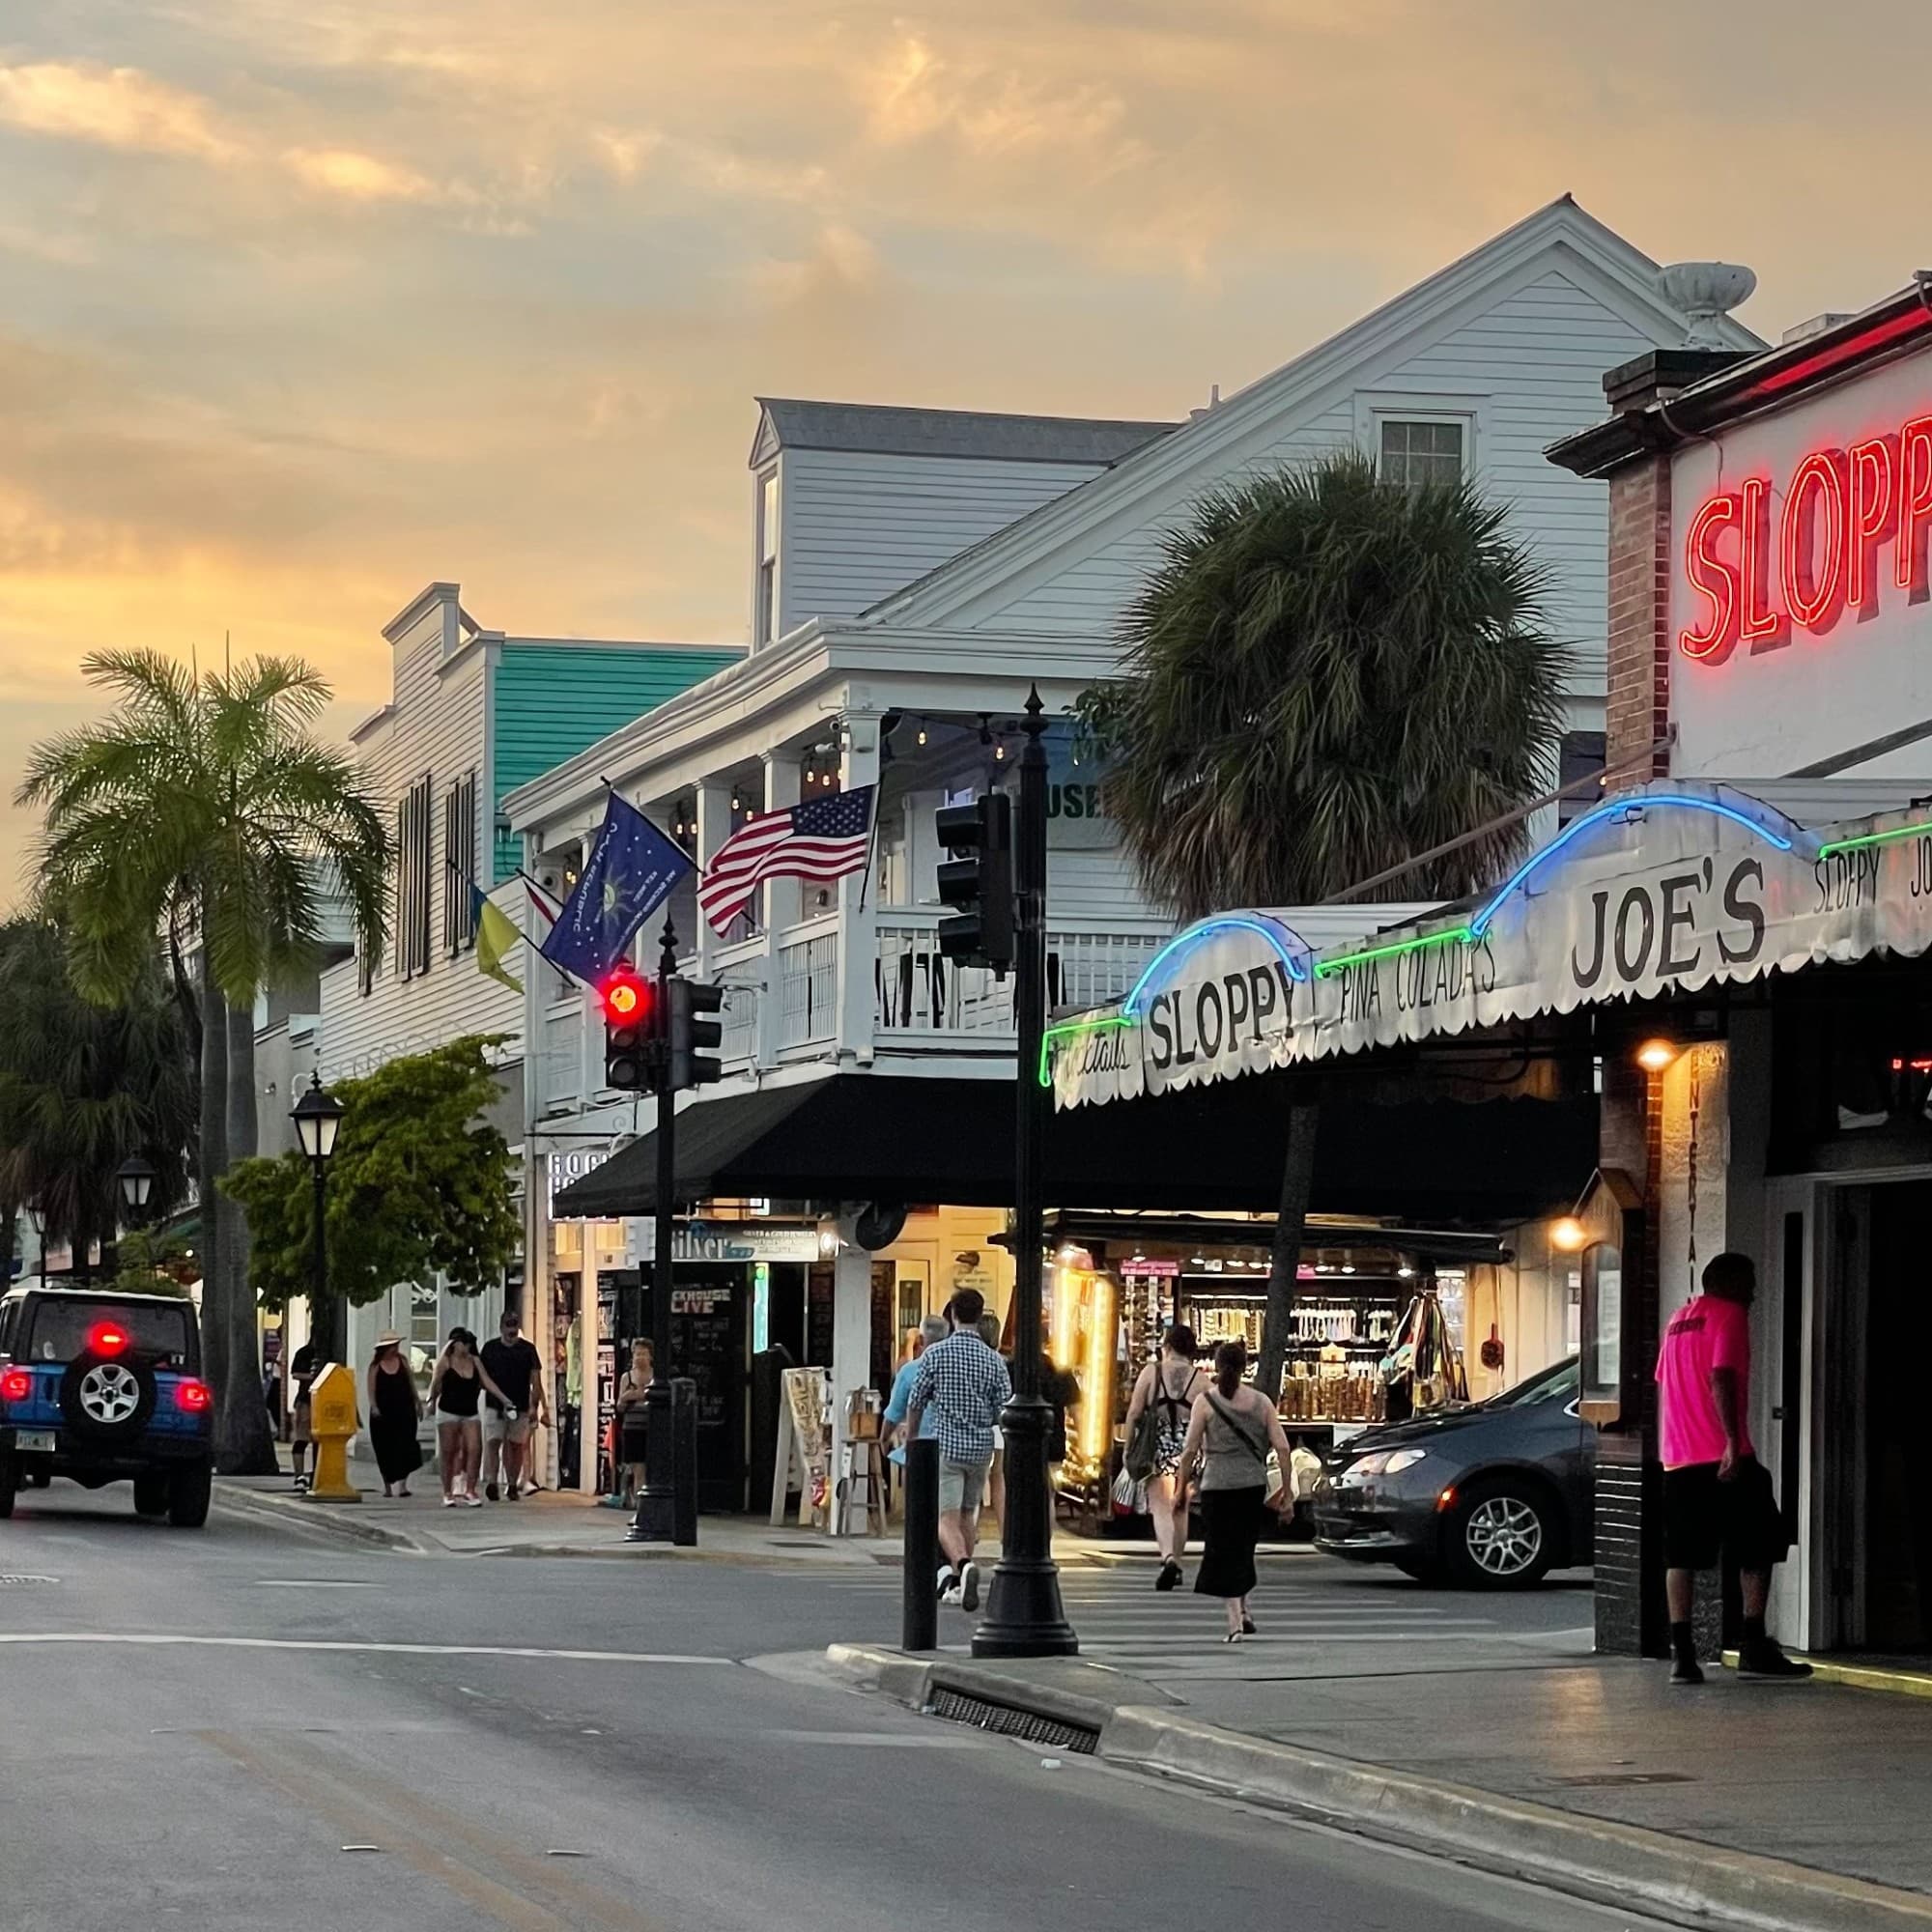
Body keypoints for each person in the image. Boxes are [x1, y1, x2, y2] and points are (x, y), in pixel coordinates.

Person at [1657, 1252, 1811, 1685]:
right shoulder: (1731, 1315)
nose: (1755, 1290)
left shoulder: (1676, 1322)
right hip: (1724, 1455)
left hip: (1677, 1457)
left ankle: (1682, 1656)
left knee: (1681, 1556)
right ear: (1733, 1283)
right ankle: (1754, 1643)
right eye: (1751, 1280)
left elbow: (1665, 1383)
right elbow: (1721, 1376)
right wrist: (1728, 1440)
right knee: (1761, 1541)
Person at [1177, 1340, 1293, 1641]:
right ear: (1244, 1368)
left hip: (1217, 1486)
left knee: (1223, 1552)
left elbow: (1189, 1451)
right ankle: (1244, 1611)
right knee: (1242, 1549)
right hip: (1252, 1486)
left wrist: (1180, 1489)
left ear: (1216, 1366)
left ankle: (1234, 1624)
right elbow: (1282, 1447)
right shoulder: (1261, 1402)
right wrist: (1288, 1495)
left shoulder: (1205, 1402)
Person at [907, 1290, 1011, 1612]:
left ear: (953, 1315)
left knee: (944, 1517)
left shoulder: (936, 1354)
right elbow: (1003, 1406)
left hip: (947, 1445)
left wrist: (912, 1438)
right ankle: (958, 1574)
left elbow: (916, 1399)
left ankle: (963, 1564)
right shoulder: (993, 1359)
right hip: (981, 1448)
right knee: (969, 1512)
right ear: (980, 1317)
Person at [1124, 1323, 1207, 1590]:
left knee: (1159, 1505)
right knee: (1181, 1506)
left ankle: (1168, 1558)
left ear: (1167, 1346)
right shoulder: (1200, 1379)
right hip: (1188, 1445)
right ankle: (1179, 1563)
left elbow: (1134, 1413)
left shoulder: (1152, 1372)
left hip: (1157, 1443)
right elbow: (1207, 1417)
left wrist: (1128, 1448)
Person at [428, 1327, 513, 1509]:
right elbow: (435, 1383)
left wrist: (504, 1399)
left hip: (470, 1410)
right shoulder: (446, 1361)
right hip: (448, 1410)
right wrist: (431, 1401)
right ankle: (447, 1492)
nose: (466, 1346)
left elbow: (486, 1381)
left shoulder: (475, 1361)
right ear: (455, 1344)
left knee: (475, 1448)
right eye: (462, 1343)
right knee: (448, 1451)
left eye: (467, 1343)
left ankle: (470, 1489)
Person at [480, 1307, 548, 1501]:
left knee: (515, 1445)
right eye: (508, 1327)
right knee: (493, 1442)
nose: (511, 1332)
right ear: (501, 1327)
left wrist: (535, 1405)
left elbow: (535, 1380)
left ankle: (511, 1483)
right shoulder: (490, 1348)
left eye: (514, 1327)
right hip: (495, 1404)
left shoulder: (527, 1350)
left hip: (520, 1405)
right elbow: (482, 1377)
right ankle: (493, 1481)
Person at [885, 1317, 947, 1491]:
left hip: (918, 1442)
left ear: (921, 1340)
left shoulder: (910, 1370)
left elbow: (894, 1411)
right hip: (947, 1446)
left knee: (914, 1493)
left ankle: (910, 1515)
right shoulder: (955, 1368)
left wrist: (884, 1438)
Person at [365, 1332, 423, 1498]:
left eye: (396, 1345)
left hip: (404, 1410)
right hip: (384, 1412)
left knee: (406, 1445)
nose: (395, 1349)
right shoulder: (376, 1365)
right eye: (392, 1346)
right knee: (384, 1449)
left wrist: (418, 1402)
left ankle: (403, 1486)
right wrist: (374, 1406)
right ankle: (388, 1486)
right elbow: (371, 1388)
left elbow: (411, 1382)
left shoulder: (403, 1361)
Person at [611, 1340, 653, 1508]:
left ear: (651, 1356)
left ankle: (644, 1503)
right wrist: (631, 1396)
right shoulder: (626, 1377)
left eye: (643, 1353)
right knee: (638, 1468)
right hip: (633, 1427)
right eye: (637, 1354)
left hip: (650, 1427)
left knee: (649, 1467)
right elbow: (620, 1405)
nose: (640, 1357)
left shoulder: (655, 1376)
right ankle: (639, 1505)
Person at [287, 1339, 320, 1492]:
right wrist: (313, 1377)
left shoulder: (331, 1351)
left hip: (323, 1401)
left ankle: (318, 1473)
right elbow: (295, 1373)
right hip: (305, 1400)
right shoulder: (304, 1353)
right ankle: (299, 1476)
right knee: (302, 1439)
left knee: (320, 1440)